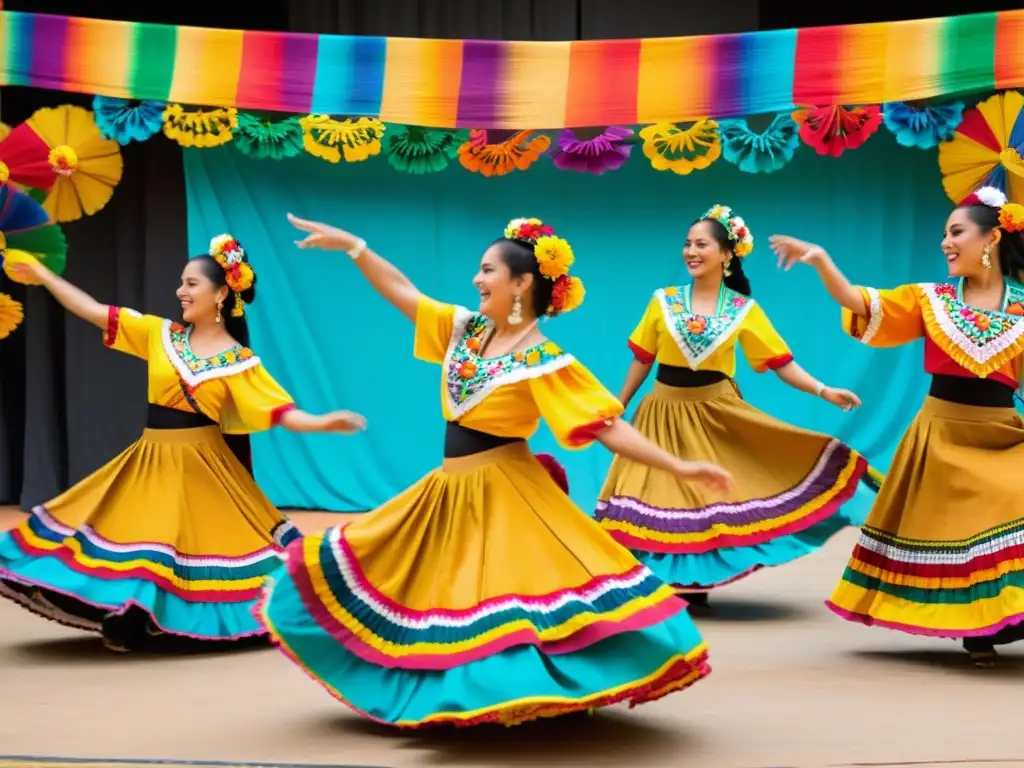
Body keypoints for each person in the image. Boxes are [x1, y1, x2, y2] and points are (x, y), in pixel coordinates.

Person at [256, 213, 733, 728]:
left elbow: (607, 427)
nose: (477, 280)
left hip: (506, 489)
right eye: (479, 271)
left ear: (522, 282)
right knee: (424, 590)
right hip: (450, 487)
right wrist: (355, 246)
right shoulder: (464, 331)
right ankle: (452, 692)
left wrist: (679, 465)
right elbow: (402, 292)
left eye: (487, 271)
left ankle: (509, 694)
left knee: (497, 601)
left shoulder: (545, 360)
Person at [0, 234, 366, 652]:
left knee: (181, 555)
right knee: (141, 546)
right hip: (150, 463)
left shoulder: (240, 362)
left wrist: (323, 422)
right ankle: (138, 618)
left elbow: (281, 412)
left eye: (192, 283)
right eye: (181, 282)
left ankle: (151, 623)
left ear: (222, 293)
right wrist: (44, 274)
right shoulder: (160, 335)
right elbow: (91, 310)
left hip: (202, 472)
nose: (181, 291)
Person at [771, 186, 1024, 668]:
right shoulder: (930, 300)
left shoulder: (1022, 306)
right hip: (943, 436)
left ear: (991, 238)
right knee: (965, 529)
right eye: (944, 234)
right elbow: (861, 302)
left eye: (956, 232)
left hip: (1001, 433)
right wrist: (821, 260)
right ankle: (979, 632)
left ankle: (1005, 618)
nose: (945, 243)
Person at [594, 204, 871, 609]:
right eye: (687, 244)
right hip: (661, 412)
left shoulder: (743, 310)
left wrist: (823, 389)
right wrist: (617, 404)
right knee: (657, 494)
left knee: (706, 498)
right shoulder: (664, 301)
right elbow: (643, 358)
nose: (691, 251)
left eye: (701, 244)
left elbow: (781, 363)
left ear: (726, 254)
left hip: (714, 412)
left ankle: (692, 583)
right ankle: (659, 582)